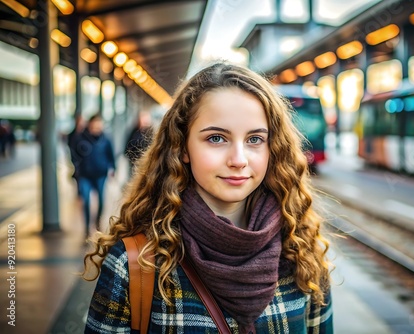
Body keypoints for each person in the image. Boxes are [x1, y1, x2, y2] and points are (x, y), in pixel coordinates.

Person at [83, 62, 333, 333]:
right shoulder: (135, 264)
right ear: (183, 147)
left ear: (273, 147)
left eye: (255, 140)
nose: (238, 160)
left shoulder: (304, 255)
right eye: (216, 138)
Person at [73, 114, 115, 237]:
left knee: (101, 201)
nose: (97, 127)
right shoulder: (80, 138)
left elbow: (110, 155)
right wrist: (77, 167)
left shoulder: (106, 139)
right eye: (95, 124)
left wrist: (113, 168)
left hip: (101, 175)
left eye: (99, 124)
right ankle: (86, 227)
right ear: (90, 124)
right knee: (85, 200)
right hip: (85, 175)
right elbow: (74, 153)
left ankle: (97, 221)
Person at [124, 111, 153, 176]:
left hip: (145, 163)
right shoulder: (134, 131)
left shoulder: (151, 133)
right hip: (134, 162)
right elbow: (128, 145)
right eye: (143, 119)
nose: (145, 121)